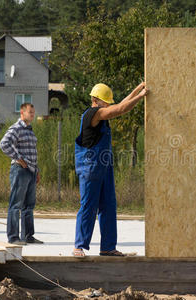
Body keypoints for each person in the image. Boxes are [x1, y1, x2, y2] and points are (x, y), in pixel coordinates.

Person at [73, 82, 148, 257]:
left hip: (104, 167)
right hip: (90, 167)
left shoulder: (101, 113)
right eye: (106, 102)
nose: (108, 105)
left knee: (108, 205)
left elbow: (120, 104)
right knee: (88, 206)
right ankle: (79, 246)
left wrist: (138, 87)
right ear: (97, 100)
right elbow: (120, 109)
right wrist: (141, 96)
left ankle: (107, 247)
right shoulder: (93, 113)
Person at [0, 103, 43, 245]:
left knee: (28, 206)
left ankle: (28, 236)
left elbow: (32, 152)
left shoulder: (30, 130)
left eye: (33, 112)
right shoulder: (16, 128)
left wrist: (36, 171)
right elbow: (4, 143)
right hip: (20, 171)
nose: (32, 115)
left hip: (31, 171)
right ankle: (13, 237)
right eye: (30, 112)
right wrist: (18, 158)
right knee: (16, 205)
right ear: (22, 113)